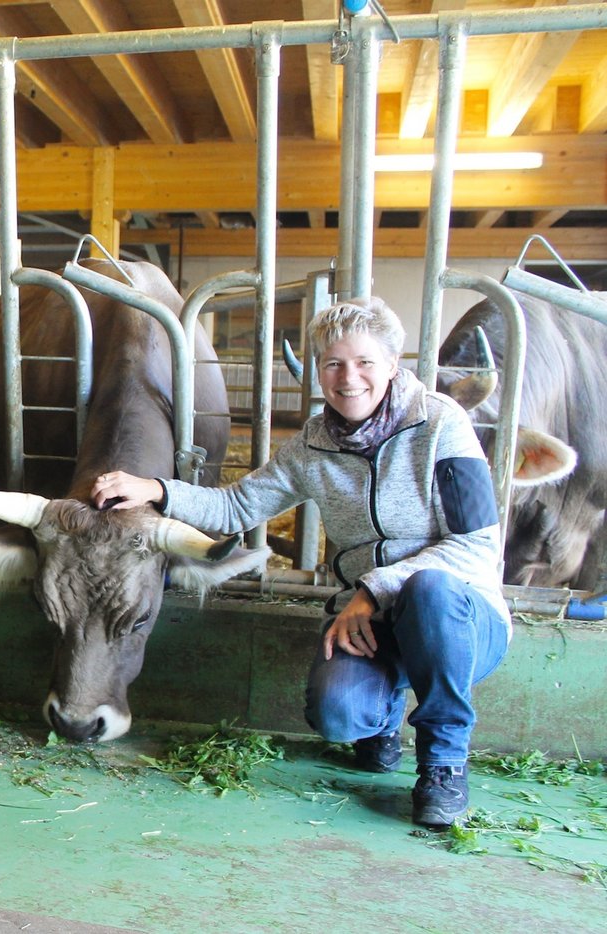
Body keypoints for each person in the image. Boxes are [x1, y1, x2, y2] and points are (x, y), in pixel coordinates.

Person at [91, 297, 509, 828]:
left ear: (392, 365)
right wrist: (155, 490)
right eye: (333, 363)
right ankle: (379, 722)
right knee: (337, 716)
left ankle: (444, 763)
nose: (348, 377)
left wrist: (371, 590)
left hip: (462, 619)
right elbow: (236, 506)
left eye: (364, 363)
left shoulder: (442, 425)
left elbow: (475, 543)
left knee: (430, 589)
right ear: (318, 371)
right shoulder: (314, 444)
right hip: (377, 624)